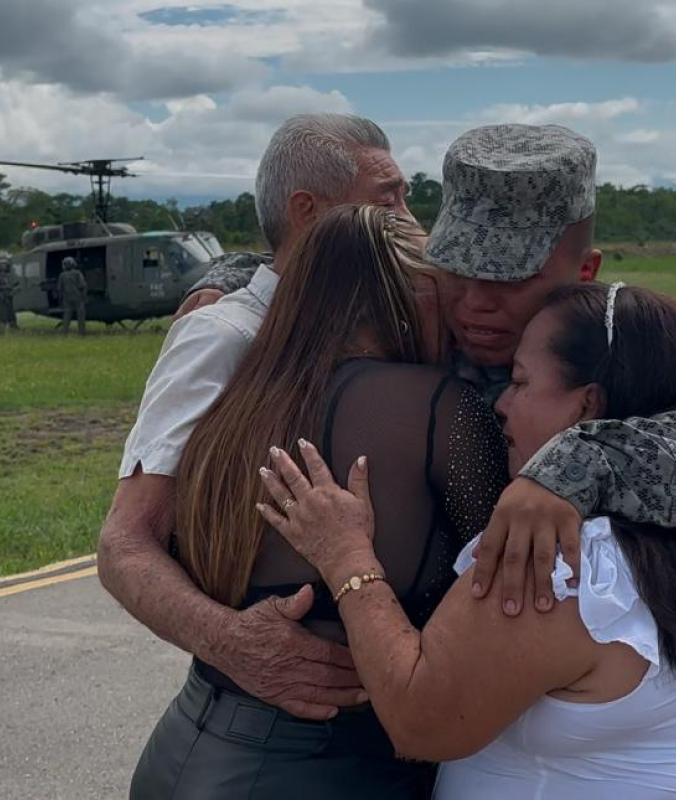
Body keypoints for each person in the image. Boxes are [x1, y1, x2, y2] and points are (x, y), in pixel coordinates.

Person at [99, 120, 676, 740]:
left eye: (511, 278)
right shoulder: (409, 316)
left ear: (584, 274)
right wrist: (238, 273)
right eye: (457, 269)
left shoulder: (614, 345)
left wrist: (575, 467)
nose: (474, 303)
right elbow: (325, 269)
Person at [258, 281, 676, 800]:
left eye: (521, 382)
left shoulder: (557, 558)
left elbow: (419, 722)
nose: (502, 403)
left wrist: (347, 557)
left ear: (587, 405)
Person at [129, 204, 504, 797]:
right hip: (331, 765)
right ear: (402, 293)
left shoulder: (241, 403)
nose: (458, 310)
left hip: (185, 743)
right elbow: (502, 577)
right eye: (441, 288)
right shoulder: (437, 408)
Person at [57, 256, 88, 335]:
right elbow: (83, 285)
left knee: (66, 317)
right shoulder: (78, 273)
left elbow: (59, 289)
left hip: (67, 299)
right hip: (78, 297)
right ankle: (81, 333)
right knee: (81, 317)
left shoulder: (62, 275)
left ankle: (65, 333)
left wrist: (60, 299)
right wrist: (83, 297)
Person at [0, 257, 19, 334]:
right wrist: (6, 287)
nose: (4, 266)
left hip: (9, 297)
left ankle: (13, 328)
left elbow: (12, 285)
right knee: (3, 315)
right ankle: (1, 331)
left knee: (11, 314)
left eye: (5, 265)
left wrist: (14, 288)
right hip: (2, 298)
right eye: (2, 265)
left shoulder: (8, 276)